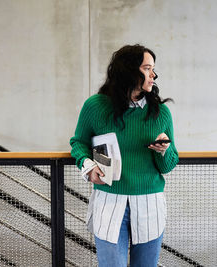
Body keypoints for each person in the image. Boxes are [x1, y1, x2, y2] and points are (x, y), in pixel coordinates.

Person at [70, 44, 179, 267]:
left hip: (150, 203)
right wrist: (88, 167)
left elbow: (169, 165)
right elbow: (78, 143)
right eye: (147, 68)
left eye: (153, 69)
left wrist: (163, 151)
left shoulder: (161, 113)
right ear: (129, 71)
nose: (153, 75)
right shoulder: (95, 106)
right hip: (108, 201)